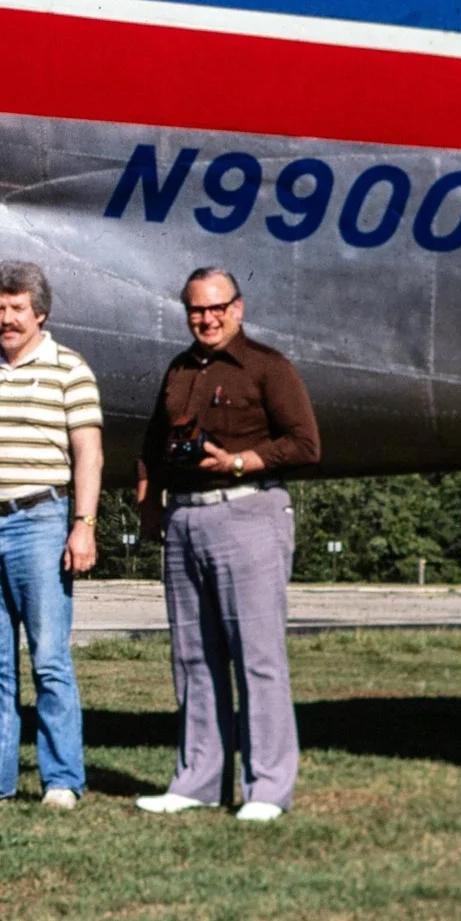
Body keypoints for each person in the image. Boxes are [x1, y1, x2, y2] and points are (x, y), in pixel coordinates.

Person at [133, 266, 321, 822]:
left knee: (257, 657)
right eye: (197, 309)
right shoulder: (178, 368)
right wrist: (149, 509)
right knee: (193, 657)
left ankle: (266, 789)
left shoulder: (268, 366)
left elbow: (306, 444)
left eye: (217, 308)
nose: (207, 319)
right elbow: (151, 446)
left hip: (249, 512)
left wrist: (239, 461)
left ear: (237, 308)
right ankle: (196, 781)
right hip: (186, 520)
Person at [0, 261, 103, 810]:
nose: (6, 319)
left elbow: (88, 453)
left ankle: (61, 781)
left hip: (43, 521)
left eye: (17, 309)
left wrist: (83, 525)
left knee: (50, 659)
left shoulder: (69, 369)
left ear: (40, 313)